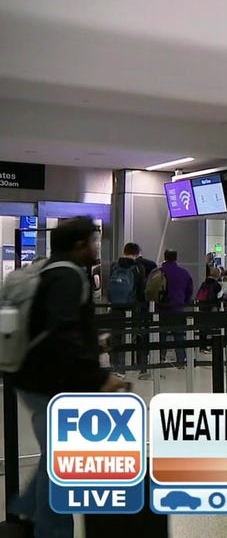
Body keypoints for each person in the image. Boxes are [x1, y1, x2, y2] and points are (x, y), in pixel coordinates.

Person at [11, 217, 126, 538]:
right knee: (60, 462)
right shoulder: (68, 276)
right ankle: (51, 531)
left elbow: (57, 327)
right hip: (51, 384)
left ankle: (27, 510)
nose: (95, 247)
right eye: (92, 241)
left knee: (56, 454)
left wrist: (93, 342)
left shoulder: (52, 271)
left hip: (38, 378)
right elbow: (63, 333)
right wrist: (99, 377)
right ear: (79, 245)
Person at [108, 242, 147, 377]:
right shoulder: (138, 268)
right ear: (136, 253)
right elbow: (141, 290)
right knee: (137, 334)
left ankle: (116, 365)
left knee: (116, 335)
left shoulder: (114, 266)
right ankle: (139, 365)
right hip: (133, 307)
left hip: (115, 306)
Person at [158, 249, 194, 368]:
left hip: (161, 308)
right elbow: (189, 290)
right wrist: (185, 302)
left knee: (161, 335)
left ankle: (160, 358)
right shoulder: (184, 273)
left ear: (165, 257)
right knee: (179, 335)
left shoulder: (158, 272)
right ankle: (180, 360)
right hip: (178, 308)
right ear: (176, 258)